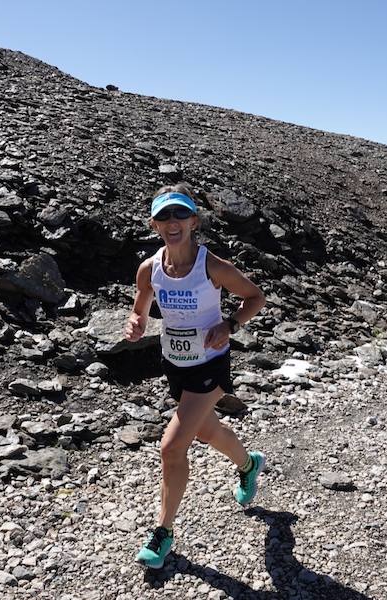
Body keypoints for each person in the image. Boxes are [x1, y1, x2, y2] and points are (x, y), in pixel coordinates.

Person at [123, 183, 267, 569]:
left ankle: (163, 533)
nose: (173, 222)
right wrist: (136, 323)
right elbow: (140, 309)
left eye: (180, 214)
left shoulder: (212, 266)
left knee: (171, 447)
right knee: (206, 431)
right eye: (165, 216)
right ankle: (249, 464)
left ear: (194, 221)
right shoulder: (149, 269)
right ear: (155, 225)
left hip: (210, 364)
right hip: (175, 362)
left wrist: (231, 324)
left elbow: (255, 297)